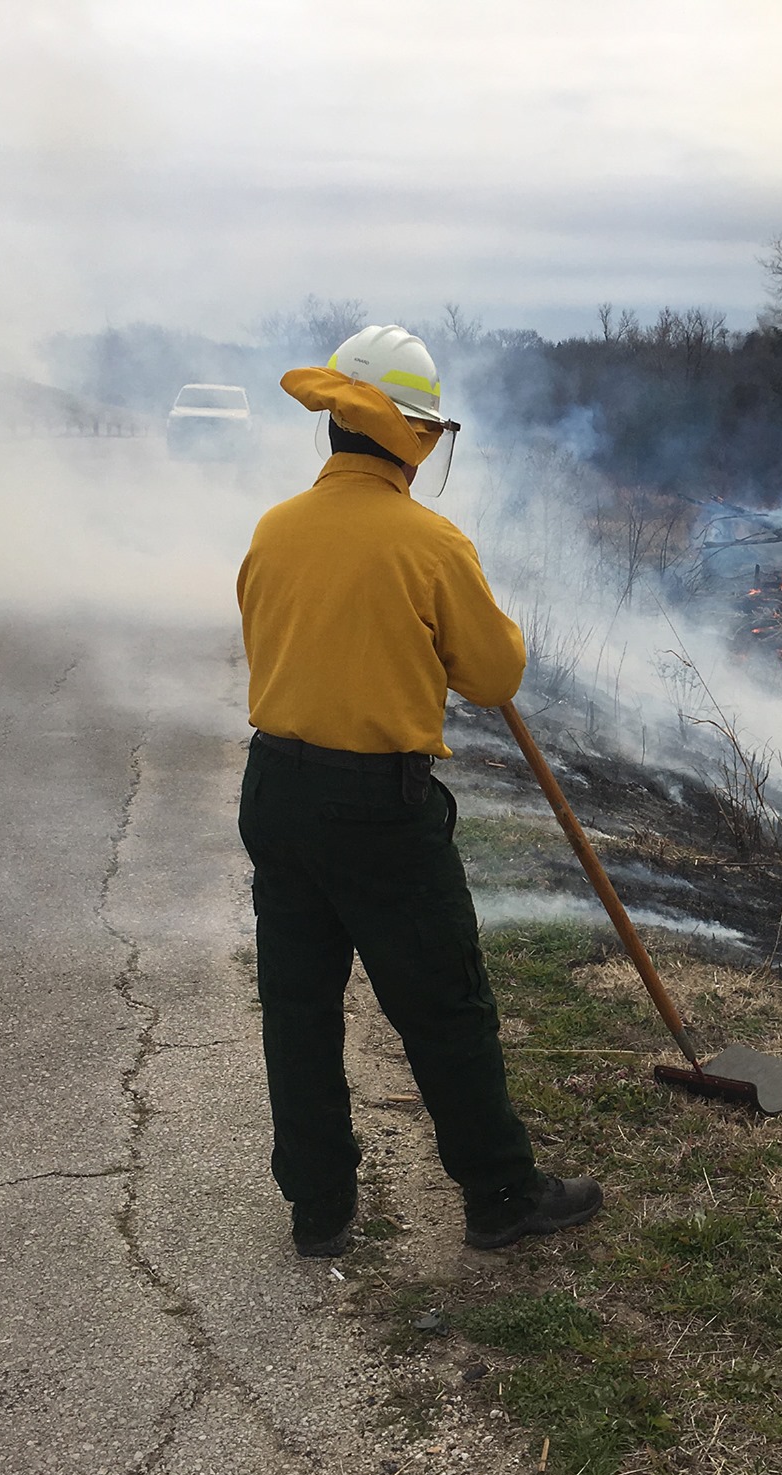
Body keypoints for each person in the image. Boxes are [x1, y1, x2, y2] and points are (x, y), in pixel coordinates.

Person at [235, 324, 602, 1259]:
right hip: (378, 811)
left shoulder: (274, 530)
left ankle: (318, 1210)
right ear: (412, 436)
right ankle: (500, 1194)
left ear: (335, 426)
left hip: (275, 790)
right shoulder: (430, 544)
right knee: (445, 1004)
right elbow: (493, 677)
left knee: (299, 1006)